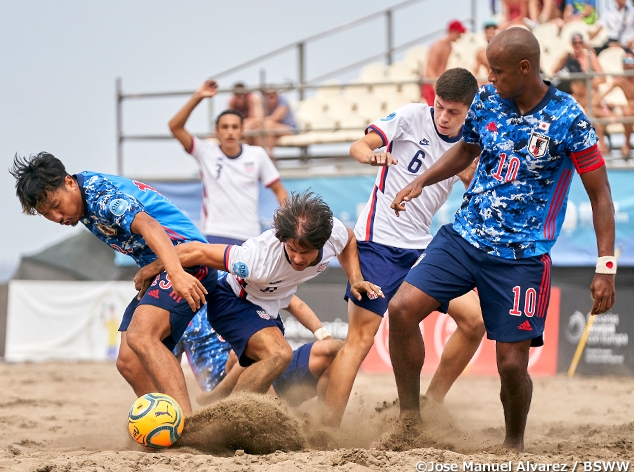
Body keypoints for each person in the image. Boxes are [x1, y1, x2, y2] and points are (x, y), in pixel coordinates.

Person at [389, 27, 616, 451]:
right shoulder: (489, 100)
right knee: (401, 310)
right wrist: (422, 181)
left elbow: (601, 196)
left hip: (522, 258)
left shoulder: (569, 119)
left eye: (496, 71)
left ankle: (513, 445)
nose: (489, 79)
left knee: (512, 365)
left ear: (525, 68)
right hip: (464, 237)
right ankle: (410, 423)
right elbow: (467, 148)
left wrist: (606, 266)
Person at [320, 68, 486, 428]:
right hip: (378, 244)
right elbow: (359, 145)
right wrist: (370, 156)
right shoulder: (412, 116)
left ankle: (431, 403)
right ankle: (327, 429)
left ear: (469, 110)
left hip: (422, 250)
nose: (443, 117)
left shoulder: (471, 142)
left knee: (474, 322)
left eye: (453, 112)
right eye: (440, 106)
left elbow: (473, 177)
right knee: (360, 339)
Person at [10, 153, 218, 415]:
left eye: (56, 204)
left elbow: (151, 226)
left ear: (69, 183)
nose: (57, 216)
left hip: (188, 261)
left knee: (142, 336)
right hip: (162, 268)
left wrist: (175, 274)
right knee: (129, 362)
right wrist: (153, 269)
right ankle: (165, 421)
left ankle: (187, 424)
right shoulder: (82, 204)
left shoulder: (100, 197)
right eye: (46, 214)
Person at [134, 191, 382, 397]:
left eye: (304, 252)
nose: (296, 258)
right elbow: (197, 252)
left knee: (262, 366)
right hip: (232, 301)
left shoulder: (332, 235)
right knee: (279, 354)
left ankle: (219, 401)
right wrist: (153, 268)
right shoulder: (256, 259)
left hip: (267, 309)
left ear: (322, 242)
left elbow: (349, 239)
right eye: (292, 249)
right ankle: (229, 421)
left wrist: (355, 278)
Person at [169, 79, 288, 246]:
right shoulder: (205, 152)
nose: (230, 132)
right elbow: (175, 127)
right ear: (217, 131)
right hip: (214, 233)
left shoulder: (257, 154)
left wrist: (289, 222)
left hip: (249, 236)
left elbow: (279, 190)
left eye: (234, 127)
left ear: (242, 130)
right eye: (224, 127)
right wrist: (198, 97)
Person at [175, 301, 343, 407]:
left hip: (274, 365)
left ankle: (324, 427)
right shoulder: (176, 316)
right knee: (242, 355)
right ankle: (279, 415)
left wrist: (324, 337)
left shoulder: (233, 284)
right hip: (231, 386)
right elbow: (168, 367)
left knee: (335, 349)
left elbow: (293, 302)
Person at [553, 33, 609, 153]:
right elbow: (552, 73)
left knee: (591, 115)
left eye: (580, 43)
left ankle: (601, 146)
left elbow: (603, 78)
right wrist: (562, 60)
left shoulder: (590, 57)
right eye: (575, 43)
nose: (578, 46)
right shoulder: (568, 58)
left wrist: (586, 82)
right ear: (571, 44)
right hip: (574, 95)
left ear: (583, 44)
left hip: (589, 94)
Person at [594, 49, 634, 157]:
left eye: (631, 61)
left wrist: (616, 106)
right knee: (593, 111)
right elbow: (597, 99)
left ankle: (627, 144)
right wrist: (603, 102)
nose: (627, 64)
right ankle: (603, 147)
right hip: (627, 111)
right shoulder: (621, 80)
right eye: (625, 61)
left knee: (627, 111)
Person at [422, 20, 466, 105]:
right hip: (431, 84)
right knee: (433, 110)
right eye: (459, 33)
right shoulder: (437, 45)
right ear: (452, 32)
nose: (460, 36)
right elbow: (429, 70)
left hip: (438, 83)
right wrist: (436, 87)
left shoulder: (449, 47)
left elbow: (442, 68)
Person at [244, 89, 298, 159]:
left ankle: (269, 156)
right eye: (268, 96)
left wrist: (256, 121)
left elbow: (274, 118)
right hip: (271, 130)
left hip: (289, 129)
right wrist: (257, 102)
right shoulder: (263, 102)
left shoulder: (283, 101)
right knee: (256, 128)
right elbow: (257, 117)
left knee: (267, 125)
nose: (271, 99)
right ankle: (258, 157)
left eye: (273, 96)